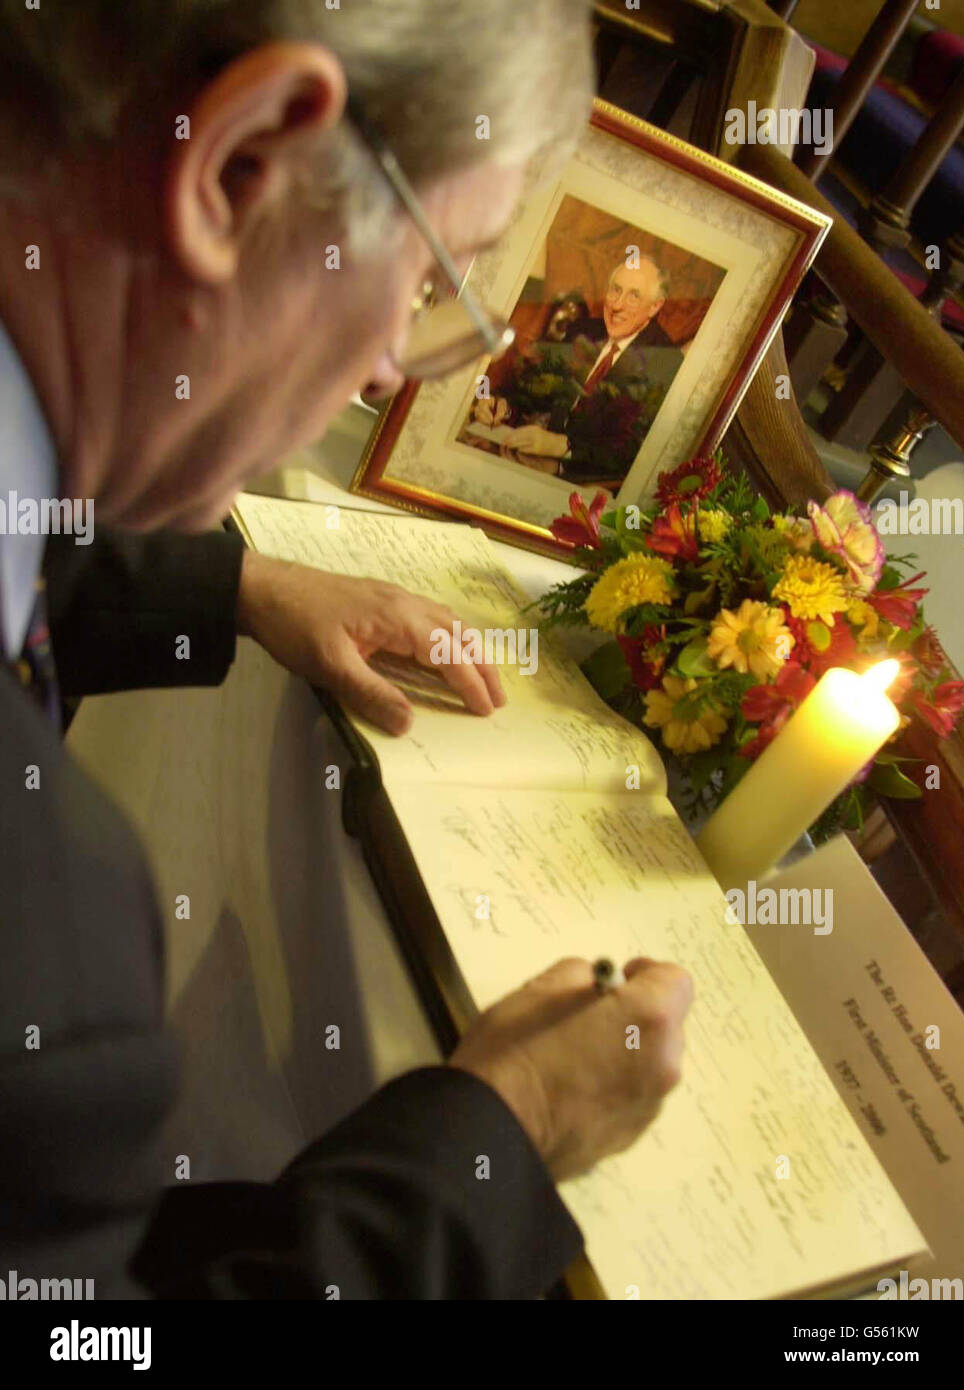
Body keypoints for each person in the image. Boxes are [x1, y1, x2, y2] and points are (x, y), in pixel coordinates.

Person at [0, 0, 693, 1300]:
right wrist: (509, 1126)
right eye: (434, 276)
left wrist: (243, 579)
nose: (386, 369)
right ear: (238, 163)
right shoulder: (47, 957)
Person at [477, 258, 684, 485]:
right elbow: (537, 388)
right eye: (616, 290)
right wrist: (504, 407)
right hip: (531, 460)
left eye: (634, 296)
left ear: (655, 306)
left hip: (589, 482)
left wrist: (562, 446)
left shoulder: (667, 362)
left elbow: (634, 451)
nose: (617, 306)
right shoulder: (584, 330)